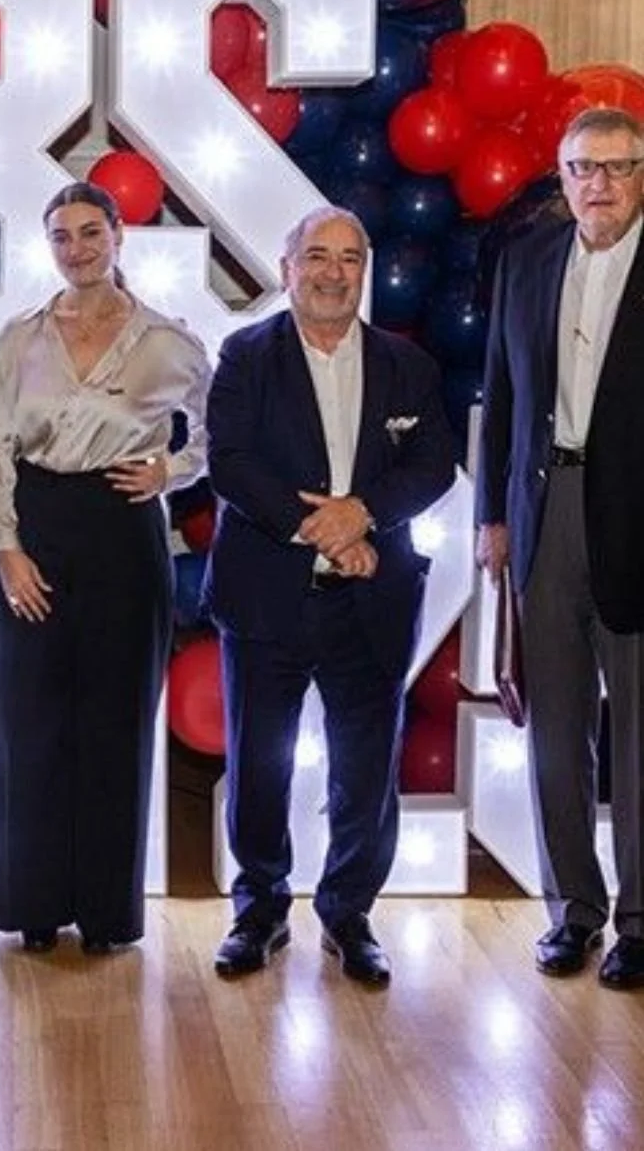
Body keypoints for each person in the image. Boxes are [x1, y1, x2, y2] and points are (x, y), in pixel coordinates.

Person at [203, 206, 455, 988]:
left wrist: (365, 516)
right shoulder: (246, 355)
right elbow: (231, 463)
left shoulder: (406, 364)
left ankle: (349, 911)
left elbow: (436, 463)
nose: (333, 272)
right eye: (317, 255)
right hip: (268, 595)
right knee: (259, 763)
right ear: (287, 268)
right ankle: (261, 908)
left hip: (371, 598)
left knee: (364, 766)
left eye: (351, 257)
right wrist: (325, 528)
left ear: (365, 271)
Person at [0, 182, 209, 953]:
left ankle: (109, 912)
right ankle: (33, 906)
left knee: (116, 723)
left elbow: (220, 427)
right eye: (61, 236)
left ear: (117, 238)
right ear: (49, 247)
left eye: (89, 232)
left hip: (123, 533)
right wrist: (5, 548)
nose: (77, 248)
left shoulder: (166, 340)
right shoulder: (18, 339)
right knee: (29, 725)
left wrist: (173, 471)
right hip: (33, 531)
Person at [477, 106, 644, 989]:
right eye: (584, 168)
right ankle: (573, 911)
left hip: (637, 525)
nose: (601, 185)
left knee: (637, 738)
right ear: (563, 176)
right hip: (544, 514)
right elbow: (500, 396)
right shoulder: (528, 260)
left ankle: (641, 922)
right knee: (556, 730)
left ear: (640, 174)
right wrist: (493, 521)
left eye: (618, 167)